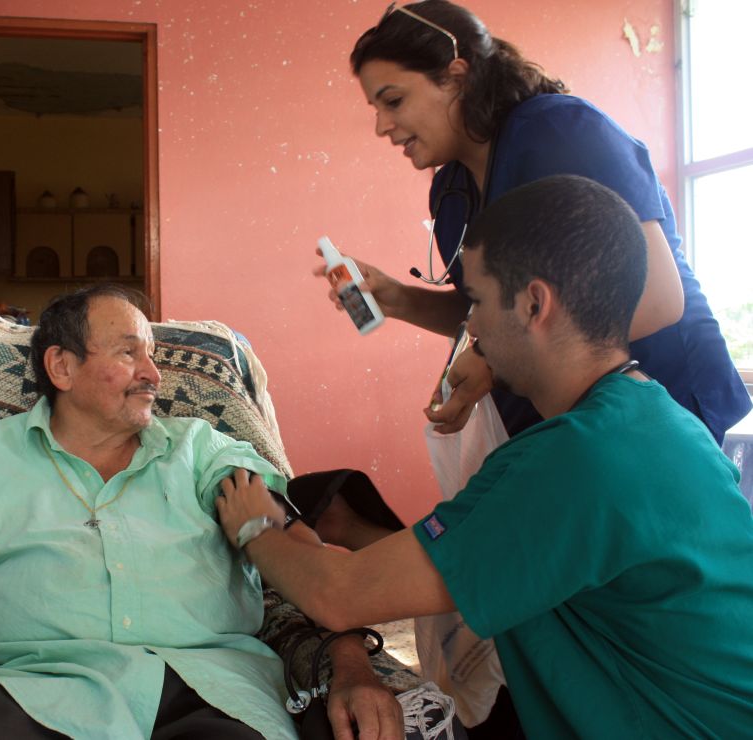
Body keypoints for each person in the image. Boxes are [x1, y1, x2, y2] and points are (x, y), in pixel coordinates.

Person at [221, 175, 753, 737]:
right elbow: (485, 563)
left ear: (533, 303)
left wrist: (255, 524)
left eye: (474, 301)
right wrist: (349, 531)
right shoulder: (657, 418)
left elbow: (339, 595)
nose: (469, 326)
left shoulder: (570, 461)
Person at [0, 285, 407, 740]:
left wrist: (349, 660)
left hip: (211, 692)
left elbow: (283, 539)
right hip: (27, 695)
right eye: (129, 353)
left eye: (150, 356)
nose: (154, 375)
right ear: (62, 368)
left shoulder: (199, 450)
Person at [320, 0, 749, 443]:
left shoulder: (562, 133)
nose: (381, 127)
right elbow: (495, 313)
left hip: (660, 407)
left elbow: (656, 297)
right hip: (569, 428)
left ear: (457, 76)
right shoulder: (450, 192)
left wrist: (490, 362)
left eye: (394, 100)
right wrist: (399, 300)